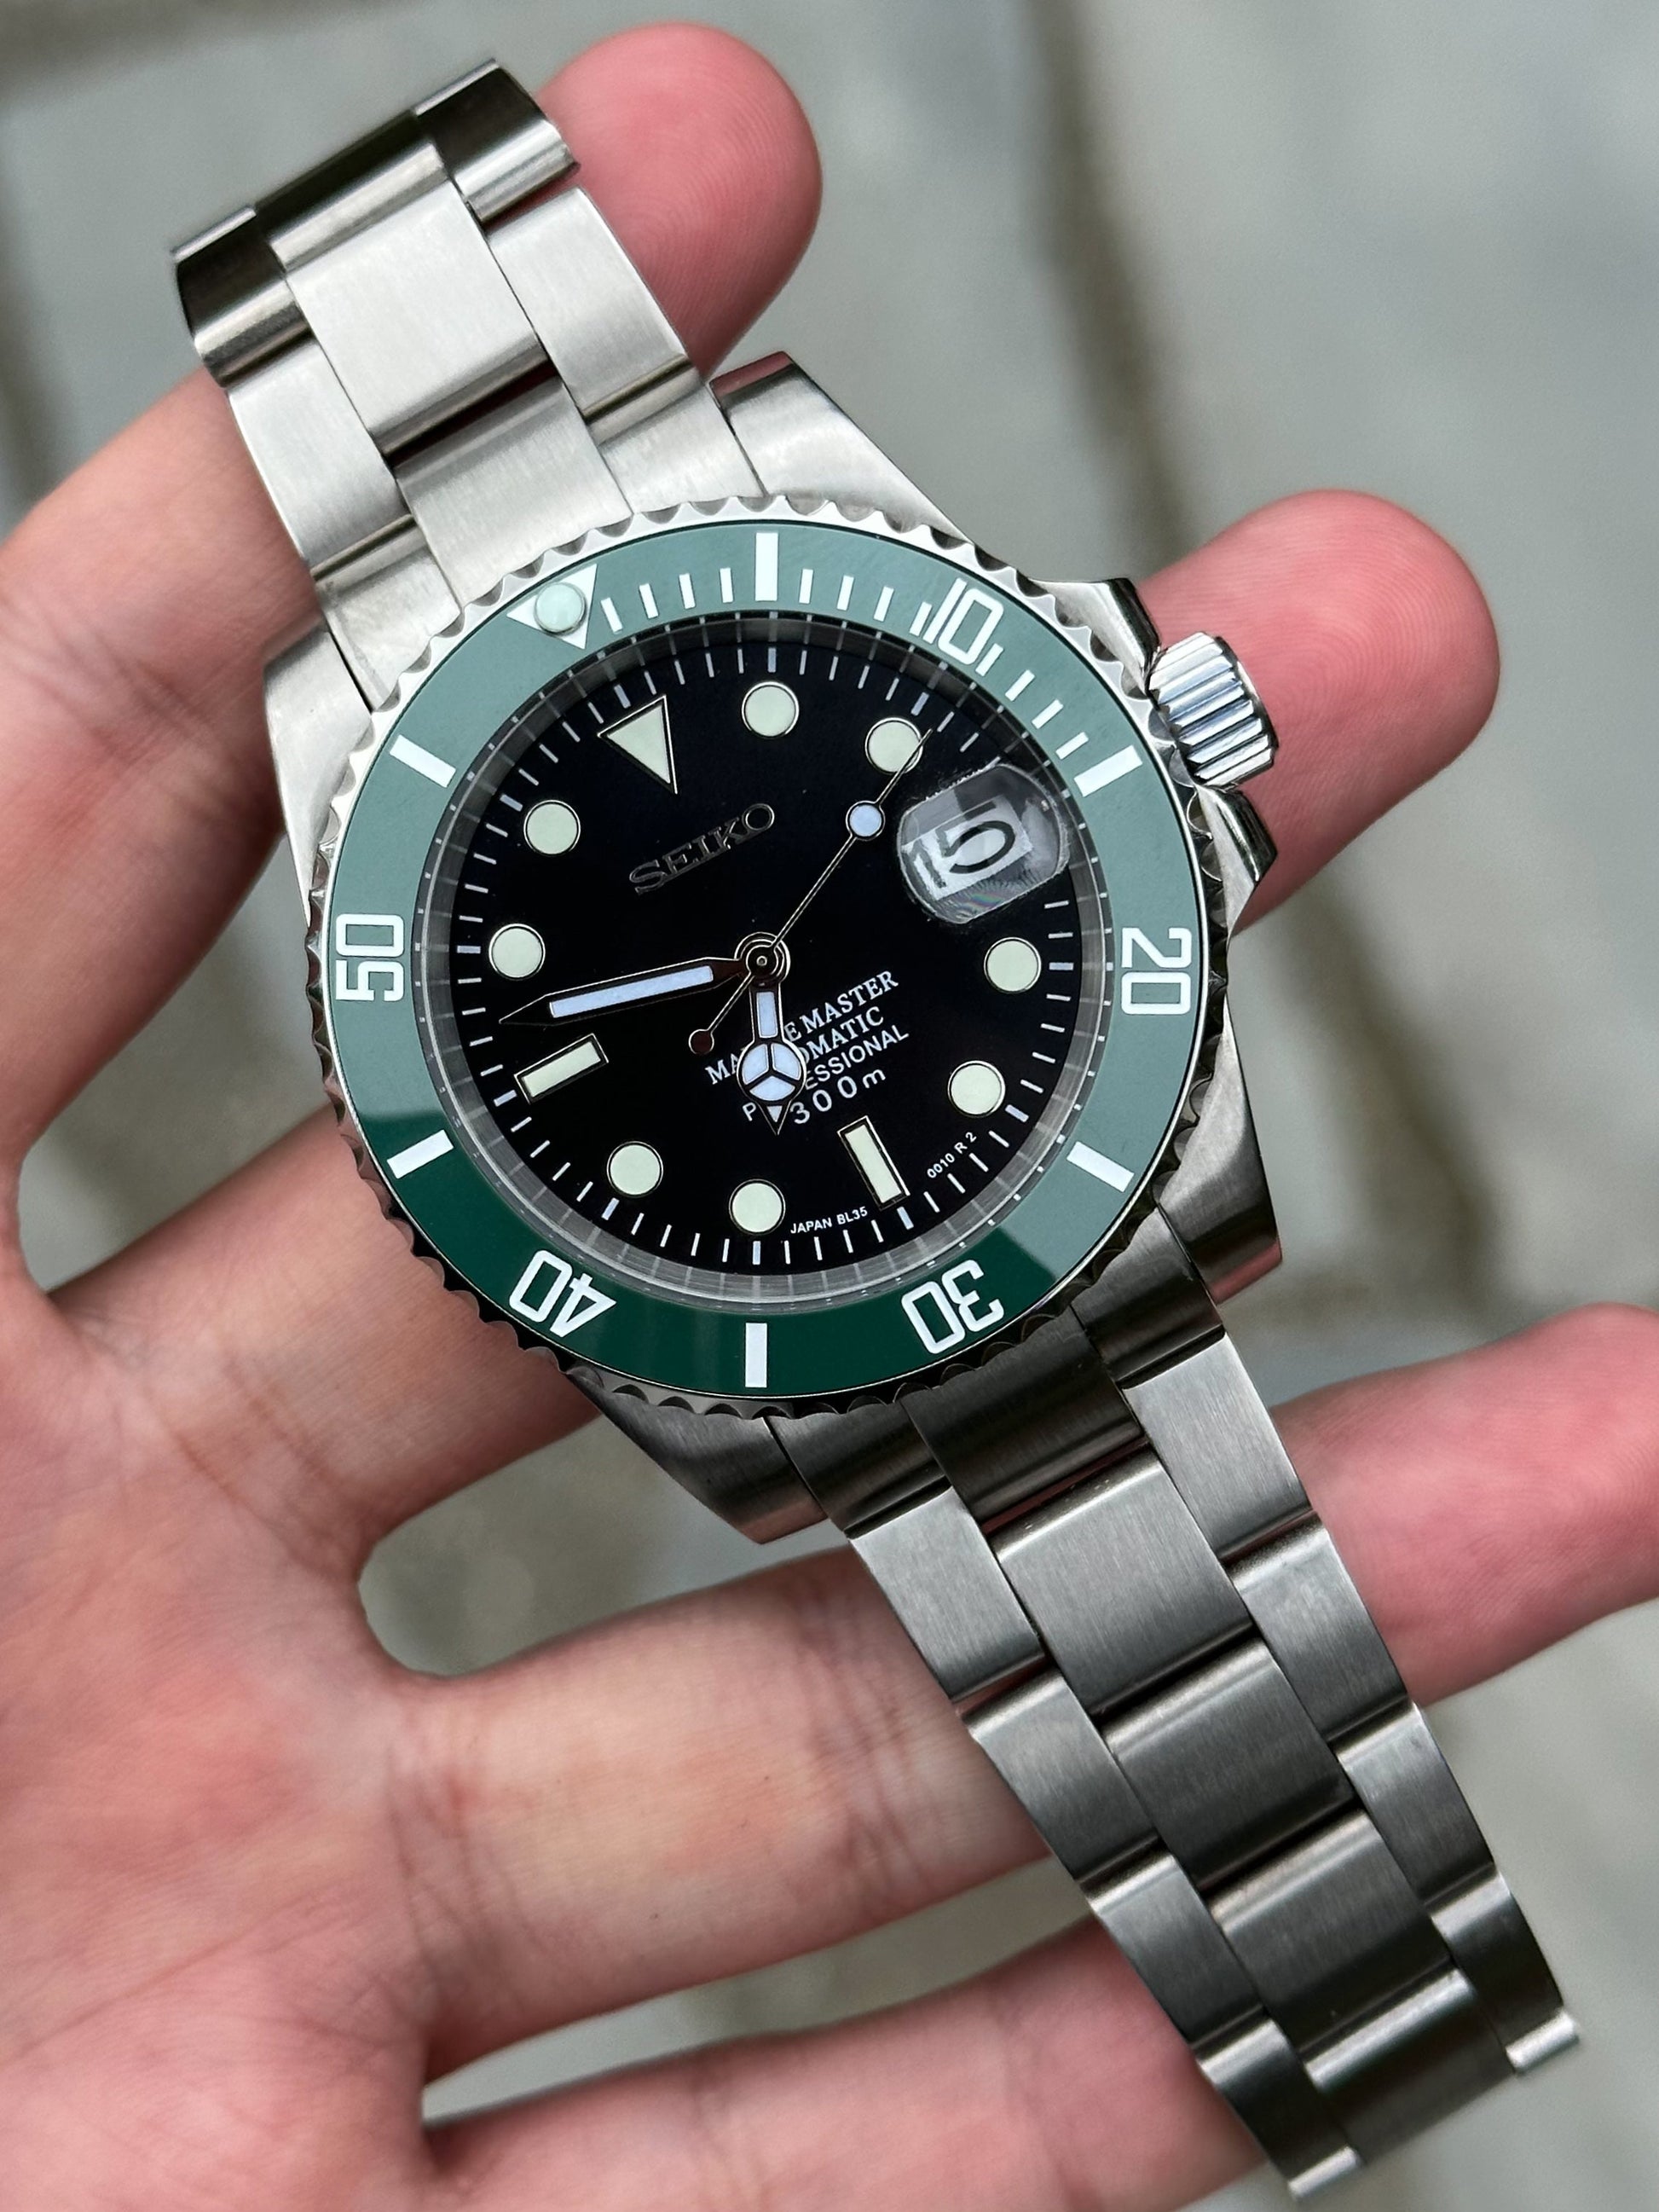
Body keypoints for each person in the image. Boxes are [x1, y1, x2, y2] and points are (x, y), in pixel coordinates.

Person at [2, 23, 1652, 2210]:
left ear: (1163, 721)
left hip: (941, 1193)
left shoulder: (802, 565)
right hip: (872, 1234)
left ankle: (1386, 2010)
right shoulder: (417, 813)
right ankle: (1378, 2012)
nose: (754, 966)